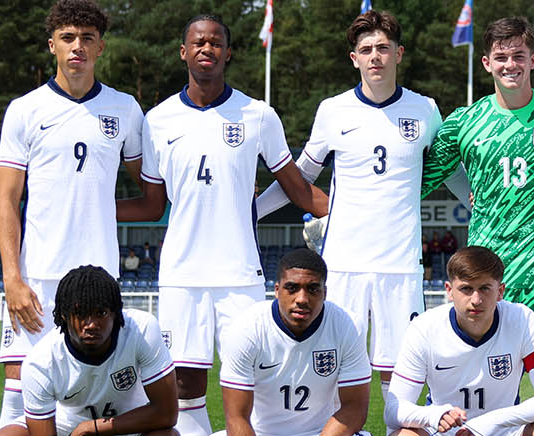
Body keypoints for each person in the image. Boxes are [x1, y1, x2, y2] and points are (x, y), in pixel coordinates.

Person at [111, 14, 331, 436]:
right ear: (183, 52)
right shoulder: (157, 120)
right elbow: (154, 202)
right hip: (182, 273)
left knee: (253, 373)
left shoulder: (259, 115)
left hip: (239, 273)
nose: (206, 49)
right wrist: (92, 205)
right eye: (197, 42)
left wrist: (345, 213)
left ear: (228, 52)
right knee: (183, 383)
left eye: (215, 43)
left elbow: (297, 189)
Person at [418, 16, 534, 432]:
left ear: (533, 59)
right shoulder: (464, 123)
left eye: (519, 55)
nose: (510, 64)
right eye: (501, 57)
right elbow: (415, 182)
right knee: (476, 381)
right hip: (486, 278)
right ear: (486, 63)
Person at [252, 9, 442, 408]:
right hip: (343, 264)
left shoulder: (425, 109)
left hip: (400, 264)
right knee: (331, 365)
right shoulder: (333, 110)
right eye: (366, 49)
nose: (375, 56)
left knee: (402, 374)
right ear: (354, 58)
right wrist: (253, 210)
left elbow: (450, 170)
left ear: (399, 54)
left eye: (383, 48)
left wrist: (483, 197)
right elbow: (300, 175)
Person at [0, 1, 147, 431]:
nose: (77, 46)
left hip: (100, 280)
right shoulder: (25, 110)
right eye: (67, 38)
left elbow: (153, 190)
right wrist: (12, 278)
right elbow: (7, 201)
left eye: (87, 38)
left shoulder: (125, 109)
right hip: (37, 280)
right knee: (17, 401)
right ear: (52, 46)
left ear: (100, 48)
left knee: (99, 399)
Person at [385, 246, 534, 436]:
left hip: (502, 431)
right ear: (449, 291)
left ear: (500, 291)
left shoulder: (522, 320)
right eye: (466, 288)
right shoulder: (424, 328)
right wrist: (434, 415)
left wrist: (490, 421)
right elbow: (393, 410)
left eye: (485, 289)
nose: (476, 299)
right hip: (444, 432)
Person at [7, 265, 178, 436]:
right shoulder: (40, 362)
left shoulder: (142, 330)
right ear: (65, 315)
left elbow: (166, 413)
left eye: (101, 313)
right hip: (66, 426)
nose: (91, 325)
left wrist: (92, 428)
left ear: (116, 313)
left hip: (130, 423)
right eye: (80, 313)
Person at [218, 248, 371, 436]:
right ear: (276, 290)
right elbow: (236, 417)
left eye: (313, 289)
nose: (302, 299)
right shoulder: (247, 328)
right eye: (292, 288)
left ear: (325, 292)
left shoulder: (348, 325)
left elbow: (354, 408)